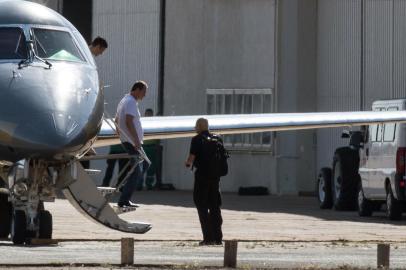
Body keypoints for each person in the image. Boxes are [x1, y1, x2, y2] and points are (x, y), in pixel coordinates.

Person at [185, 118, 223, 246]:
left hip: (202, 177)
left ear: (198, 126)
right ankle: (218, 238)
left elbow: (191, 158)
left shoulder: (196, 139)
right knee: (215, 206)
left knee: (201, 206)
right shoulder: (218, 138)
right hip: (215, 177)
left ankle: (208, 237)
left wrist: (187, 164)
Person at [115, 81, 148, 207]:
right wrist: (135, 140)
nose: (144, 95)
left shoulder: (124, 100)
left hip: (128, 140)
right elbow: (129, 122)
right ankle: (123, 200)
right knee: (137, 170)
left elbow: (116, 120)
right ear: (137, 90)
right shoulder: (131, 102)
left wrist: (121, 135)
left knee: (145, 164)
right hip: (132, 142)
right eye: (144, 92)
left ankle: (125, 186)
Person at [80, 36, 108, 170]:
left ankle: (88, 145)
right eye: (101, 51)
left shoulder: (85, 54)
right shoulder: (85, 54)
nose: (100, 54)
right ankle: (86, 145)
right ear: (98, 46)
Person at [136, 108, 161, 190]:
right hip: (143, 147)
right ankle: (139, 184)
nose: (148, 115)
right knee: (141, 166)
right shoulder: (141, 122)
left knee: (151, 167)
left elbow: (158, 134)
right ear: (145, 114)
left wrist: (157, 144)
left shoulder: (155, 123)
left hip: (152, 146)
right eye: (147, 114)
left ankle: (148, 184)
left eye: (150, 114)